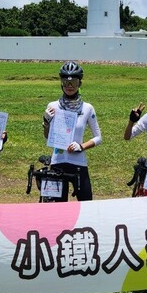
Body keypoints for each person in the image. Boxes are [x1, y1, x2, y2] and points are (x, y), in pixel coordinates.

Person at [41, 61, 102, 201]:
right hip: (58, 161)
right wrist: (46, 122)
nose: (69, 86)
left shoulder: (87, 108)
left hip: (79, 163)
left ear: (79, 84)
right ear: (61, 83)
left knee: (86, 204)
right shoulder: (52, 106)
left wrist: (81, 146)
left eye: (73, 82)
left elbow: (98, 137)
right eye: (66, 81)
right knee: (56, 208)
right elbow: (47, 137)